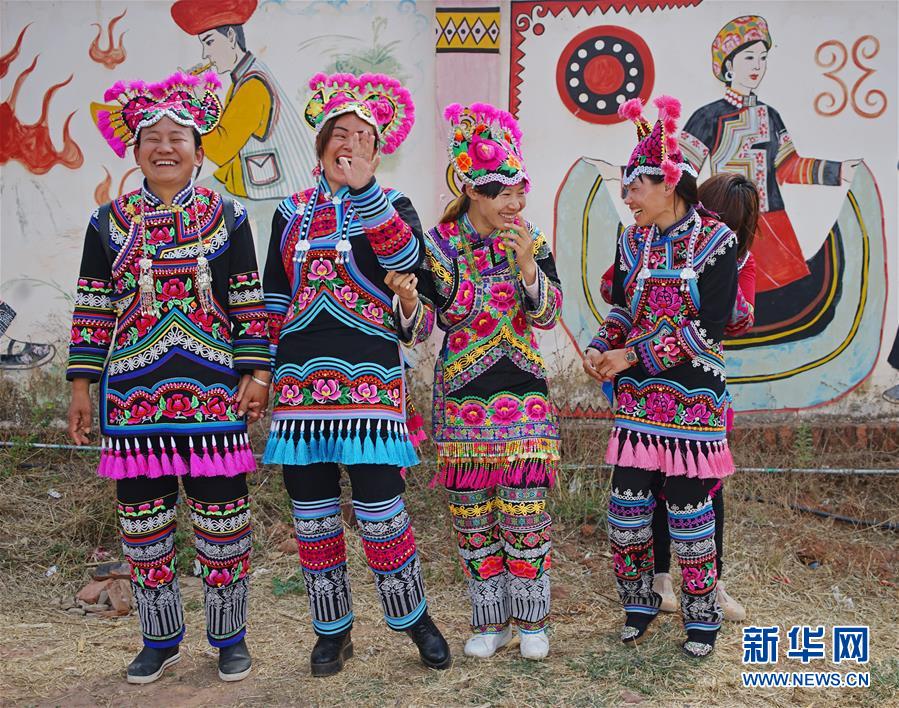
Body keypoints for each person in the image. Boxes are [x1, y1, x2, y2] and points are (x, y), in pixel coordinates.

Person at [67, 71, 270, 683]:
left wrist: (257, 372)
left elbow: (247, 299)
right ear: (135, 152)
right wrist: (82, 387)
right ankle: (159, 641)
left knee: (223, 523)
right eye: (151, 137)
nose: (164, 147)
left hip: (214, 397)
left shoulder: (228, 216)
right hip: (134, 402)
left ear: (199, 150)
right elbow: (93, 306)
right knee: (143, 526)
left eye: (177, 136)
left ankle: (230, 638)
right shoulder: (108, 222)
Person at [262, 72, 450, 676]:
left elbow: (406, 262)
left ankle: (414, 619)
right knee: (312, 513)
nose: (350, 143)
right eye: (339, 134)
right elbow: (273, 297)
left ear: (377, 149)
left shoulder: (393, 205)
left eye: (363, 136)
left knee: (380, 509)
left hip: (369, 382)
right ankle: (331, 632)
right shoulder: (290, 212)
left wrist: (365, 189)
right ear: (321, 145)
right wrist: (264, 373)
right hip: (299, 385)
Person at [387, 103, 563, 661]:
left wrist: (528, 269)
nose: (514, 204)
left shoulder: (530, 239)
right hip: (462, 400)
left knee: (525, 511)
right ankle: (490, 622)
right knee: (472, 516)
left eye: (518, 193)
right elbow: (420, 329)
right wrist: (408, 301)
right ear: (471, 190)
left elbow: (548, 316)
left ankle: (532, 621)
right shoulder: (437, 245)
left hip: (525, 396)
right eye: (502, 194)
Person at [584, 95, 738, 659]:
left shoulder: (718, 243)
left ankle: (702, 617)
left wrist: (630, 356)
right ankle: (639, 604)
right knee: (627, 511)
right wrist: (602, 343)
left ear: (669, 184)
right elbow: (625, 307)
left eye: (635, 187)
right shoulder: (632, 240)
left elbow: (709, 330)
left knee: (690, 513)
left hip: (694, 403)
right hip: (638, 405)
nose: (627, 198)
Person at [679, 14, 858, 293]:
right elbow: (679, 172)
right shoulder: (707, 116)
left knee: (781, 298)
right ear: (728, 64)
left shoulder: (770, 115)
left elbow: (789, 166)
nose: (757, 66)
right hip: (728, 225)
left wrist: (841, 171)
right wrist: (623, 177)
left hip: (773, 227)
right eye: (749, 57)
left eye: (762, 58)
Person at [170, 0, 316, 201]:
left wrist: (199, 102)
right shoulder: (246, 76)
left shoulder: (253, 85)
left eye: (209, 42)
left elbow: (221, 151)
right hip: (254, 183)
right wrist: (202, 97)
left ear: (231, 36)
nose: (205, 54)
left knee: (188, 201)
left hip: (271, 196)